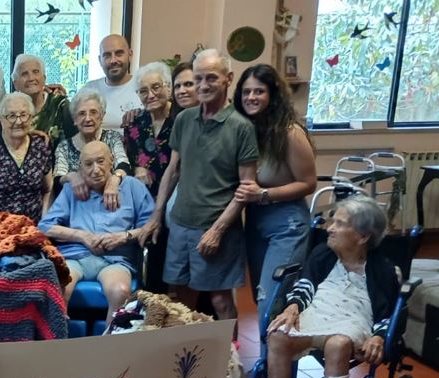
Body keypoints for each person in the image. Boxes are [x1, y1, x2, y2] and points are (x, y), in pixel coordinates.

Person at [259, 196, 399, 378]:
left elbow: (387, 312)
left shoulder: (383, 268)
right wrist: (292, 307)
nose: (330, 228)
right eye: (332, 222)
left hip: (353, 321)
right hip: (316, 314)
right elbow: (305, 286)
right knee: (278, 335)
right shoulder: (322, 254)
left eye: (340, 224)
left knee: (338, 344)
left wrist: (378, 337)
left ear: (363, 237)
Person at [143, 49, 258, 326]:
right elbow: (173, 170)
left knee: (220, 301)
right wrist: (157, 215)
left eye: (211, 78)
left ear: (228, 78)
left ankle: (228, 353)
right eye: (198, 79)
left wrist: (217, 231)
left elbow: (246, 188)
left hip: (216, 226)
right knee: (181, 298)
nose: (203, 85)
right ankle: (187, 352)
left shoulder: (241, 127)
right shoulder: (184, 119)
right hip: (180, 224)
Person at [233, 63, 317, 318]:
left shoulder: (290, 132)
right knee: (260, 297)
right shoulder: (247, 130)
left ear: (273, 95)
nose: (251, 97)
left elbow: (308, 183)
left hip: (287, 224)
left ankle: (277, 347)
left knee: (272, 300)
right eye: (246, 92)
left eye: (259, 91)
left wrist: (263, 195)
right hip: (255, 221)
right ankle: (270, 345)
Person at [38, 141, 155, 319]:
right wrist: (82, 236)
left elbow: (151, 226)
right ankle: (59, 336)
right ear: (80, 168)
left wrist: (124, 236)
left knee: (120, 291)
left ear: (111, 161)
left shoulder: (132, 186)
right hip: (75, 258)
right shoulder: (71, 190)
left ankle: (111, 337)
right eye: (88, 164)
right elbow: (44, 227)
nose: (95, 170)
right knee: (56, 288)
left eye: (101, 161)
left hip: (115, 260)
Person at [124, 62, 178, 293]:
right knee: (150, 264)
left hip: (175, 198)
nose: (151, 95)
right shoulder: (135, 122)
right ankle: (150, 304)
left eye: (156, 87)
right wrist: (136, 168)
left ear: (168, 87)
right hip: (144, 202)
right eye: (143, 91)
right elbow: (127, 159)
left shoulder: (181, 119)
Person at [0, 92, 53, 222]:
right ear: (1, 119)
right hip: (0, 227)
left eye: (23, 115)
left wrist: (45, 223)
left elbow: (48, 190)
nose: (18, 121)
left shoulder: (40, 146)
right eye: (11, 116)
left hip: (34, 226)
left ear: (31, 118)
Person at [54, 89, 131, 209]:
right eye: (81, 114)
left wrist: (114, 179)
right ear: (74, 119)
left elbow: (124, 164)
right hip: (79, 206)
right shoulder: (64, 147)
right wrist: (71, 176)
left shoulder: (112, 137)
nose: (88, 118)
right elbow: (58, 179)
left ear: (102, 116)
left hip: (113, 202)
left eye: (93, 112)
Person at [11, 54, 76, 161]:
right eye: (24, 74)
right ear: (15, 84)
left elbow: (76, 141)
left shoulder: (60, 105)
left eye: (35, 72)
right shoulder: (10, 110)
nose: (31, 78)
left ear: (44, 78)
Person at [81, 35, 139, 130]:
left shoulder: (144, 88)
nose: (113, 60)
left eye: (119, 54)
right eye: (107, 56)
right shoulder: (89, 90)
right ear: (100, 60)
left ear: (130, 55)